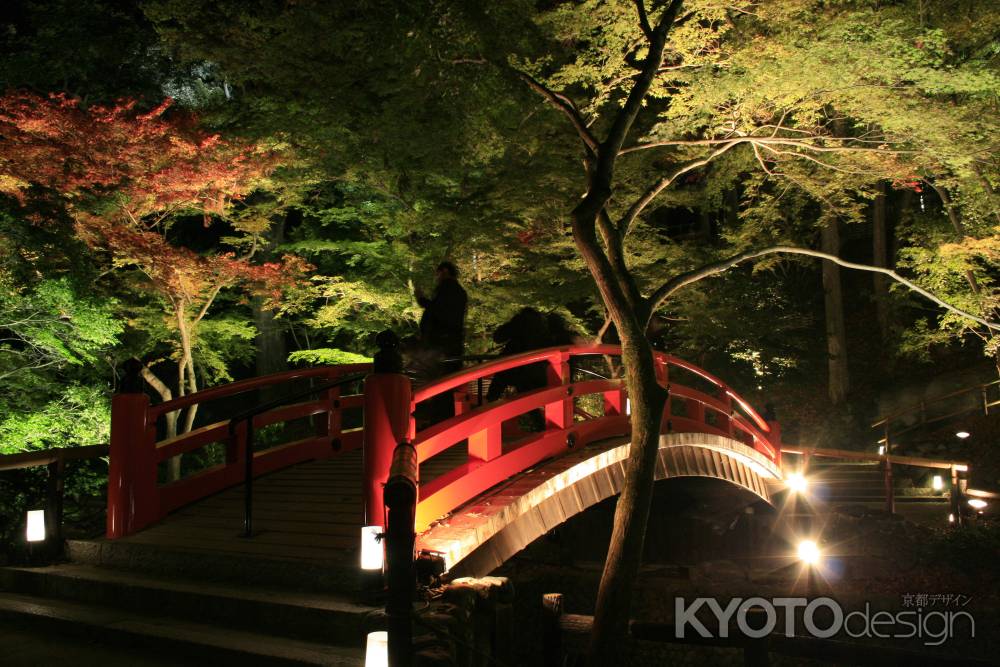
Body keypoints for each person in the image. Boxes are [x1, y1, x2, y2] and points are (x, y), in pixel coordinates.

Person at [416, 260, 468, 376]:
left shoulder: (447, 288)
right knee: (449, 376)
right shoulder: (460, 291)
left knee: (439, 377)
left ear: (445, 272)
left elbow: (437, 310)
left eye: (438, 274)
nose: (437, 278)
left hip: (441, 342)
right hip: (453, 341)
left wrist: (421, 299)